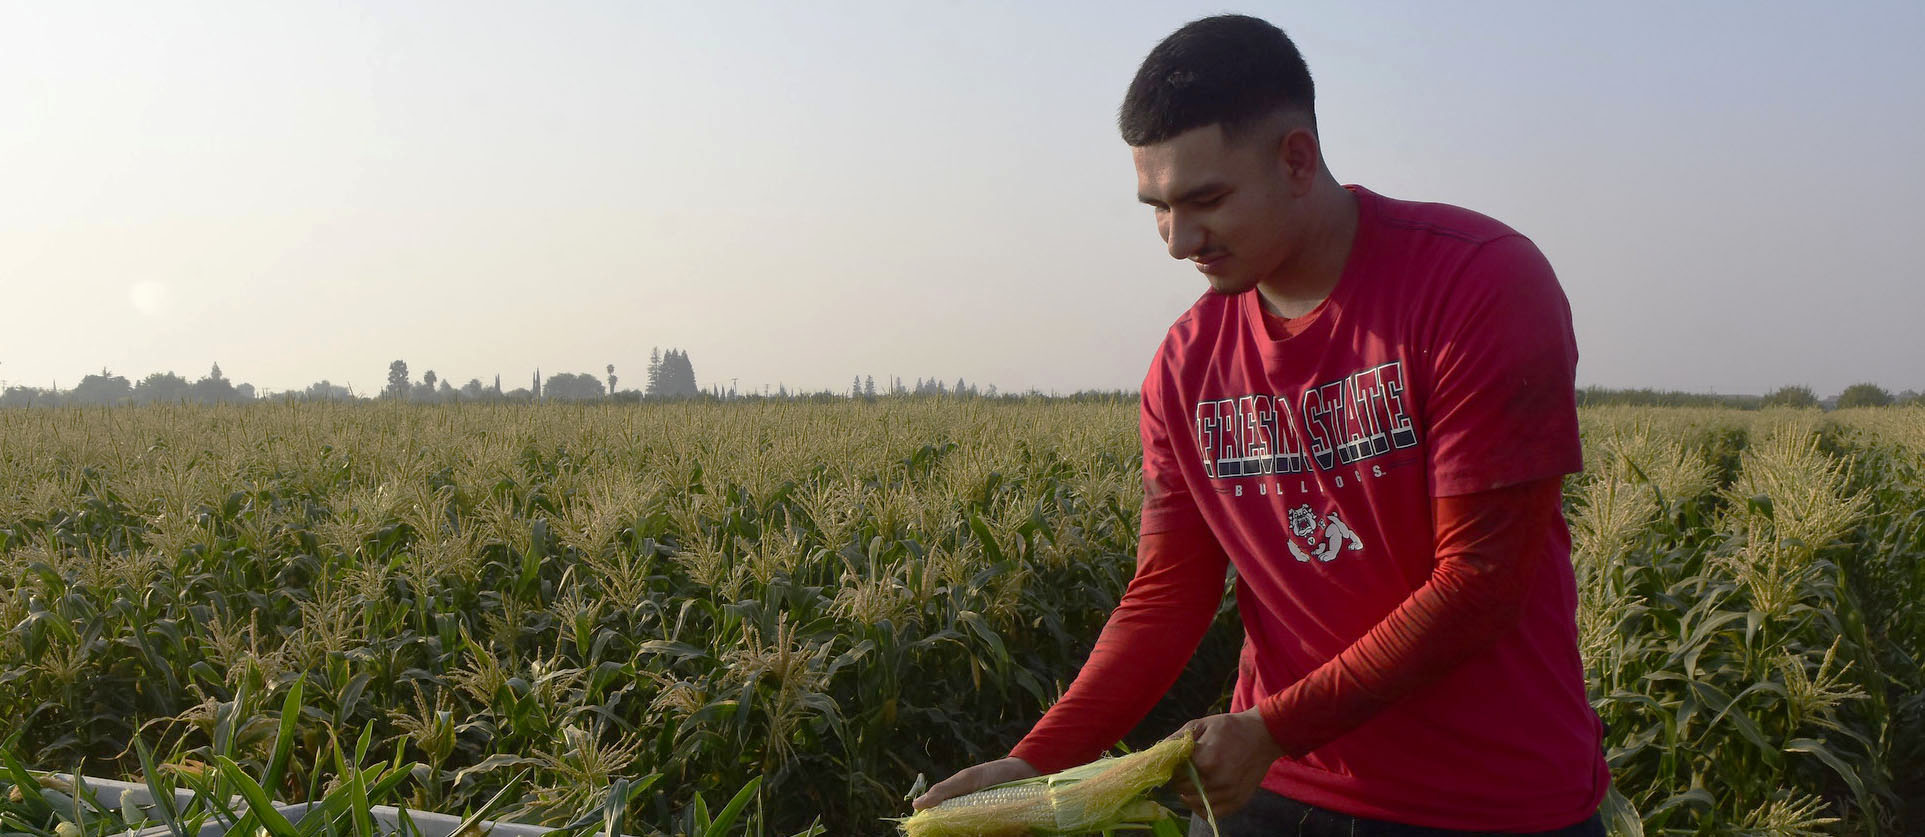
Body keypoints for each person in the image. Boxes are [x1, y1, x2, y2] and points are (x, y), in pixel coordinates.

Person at [911, 13, 1610, 836]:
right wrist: (1034, 762)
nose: (1178, 241)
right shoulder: (1185, 365)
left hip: (1489, 804)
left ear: (1296, 158)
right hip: (1273, 794)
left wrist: (1271, 728)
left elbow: (1479, 583)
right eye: (1157, 208)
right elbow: (1169, 590)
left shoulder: (1477, 285)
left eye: (1205, 199)